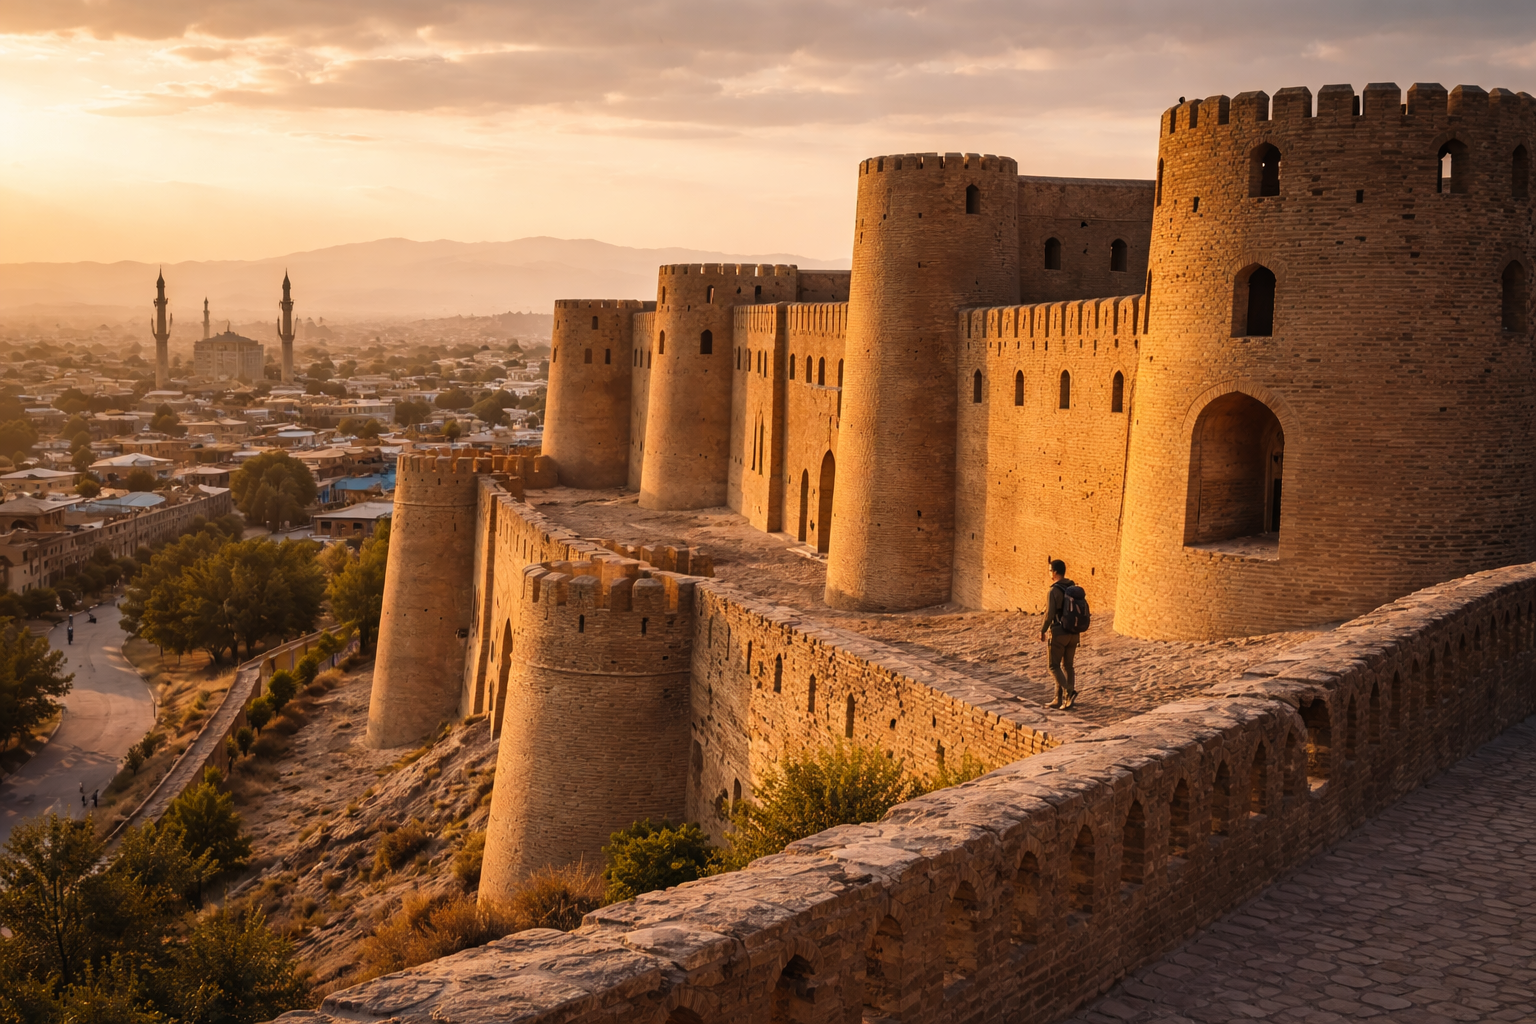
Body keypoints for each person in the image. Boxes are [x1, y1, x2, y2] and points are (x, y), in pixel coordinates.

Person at [1039, 559, 1081, 710]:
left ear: (1055, 572)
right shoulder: (1073, 587)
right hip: (1074, 633)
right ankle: (1059, 699)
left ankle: (1069, 692)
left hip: (1059, 632)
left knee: (1053, 666)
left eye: (1050, 570)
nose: (1049, 573)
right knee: (1068, 666)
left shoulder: (1053, 591)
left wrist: (1043, 630)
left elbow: (1049, 614)